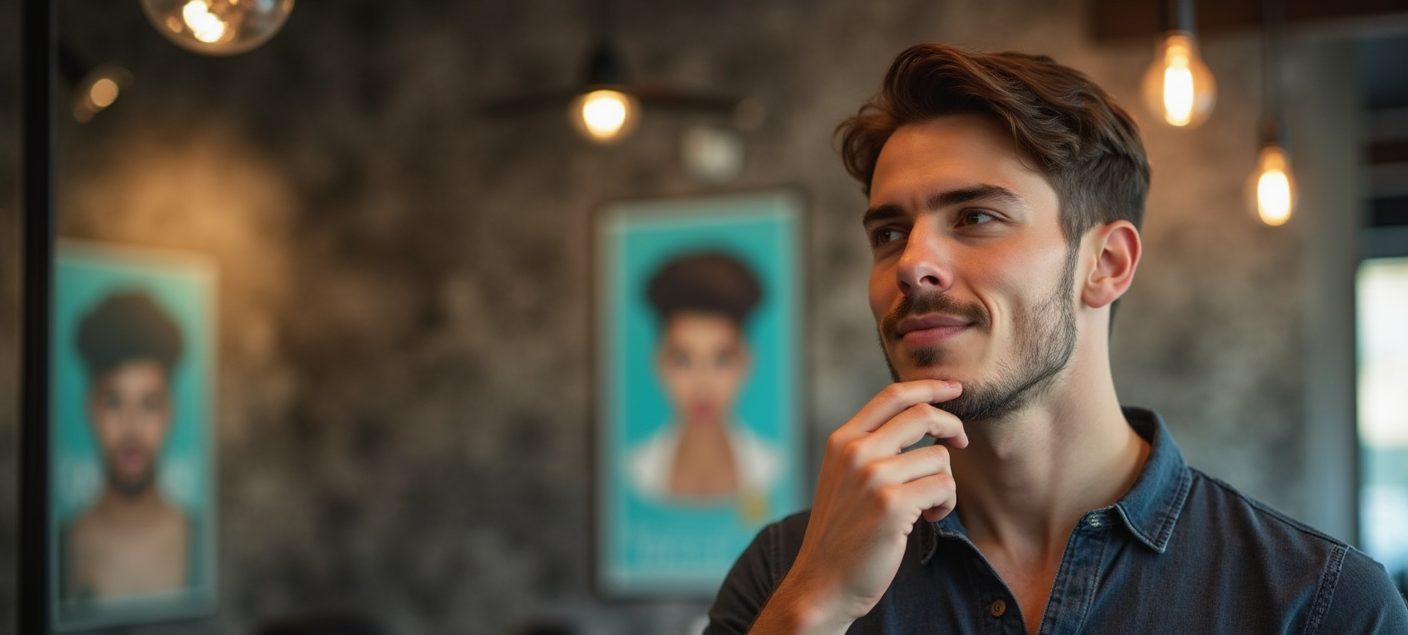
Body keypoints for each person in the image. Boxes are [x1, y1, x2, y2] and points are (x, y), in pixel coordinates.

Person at [706, 43, 1408, 634]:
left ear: (1106, 264)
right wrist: (812, 608)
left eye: (976, 217)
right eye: (889, 232)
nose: (912, 262)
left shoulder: (1318, 603)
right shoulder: (787, 572)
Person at [63, 291, 192, 601]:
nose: (132, 430)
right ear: (90, 408)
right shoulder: (58, 549)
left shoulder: (205, 545)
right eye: (114, 402)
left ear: (170, 412)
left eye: (149, 404)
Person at [628, 252, 781, 505]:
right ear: (658, 362)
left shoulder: (773, 468)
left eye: (721, 360)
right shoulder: (634, 472)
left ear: (747, 361)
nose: (703, 387)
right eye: (683, 361)